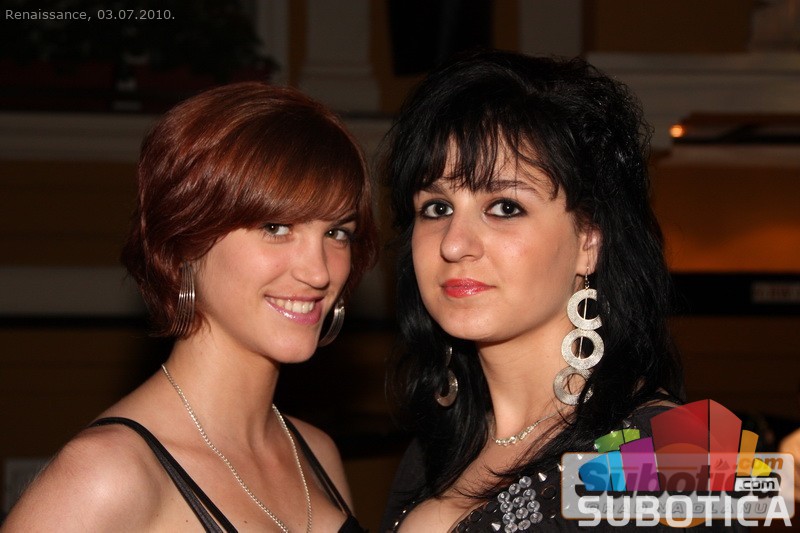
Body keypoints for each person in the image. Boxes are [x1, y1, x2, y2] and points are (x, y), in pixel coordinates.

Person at [379, 50, 740, 531]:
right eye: (437, 208)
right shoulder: (435, 447)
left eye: (505, 207)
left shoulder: (675, 453)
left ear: (589, 242)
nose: (454, 244)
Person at [4, 82, 377, 532]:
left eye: (337, 233)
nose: (319, 273)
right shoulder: (105, 475)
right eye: (276, 227)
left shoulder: (315, 453)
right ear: (186, 240)